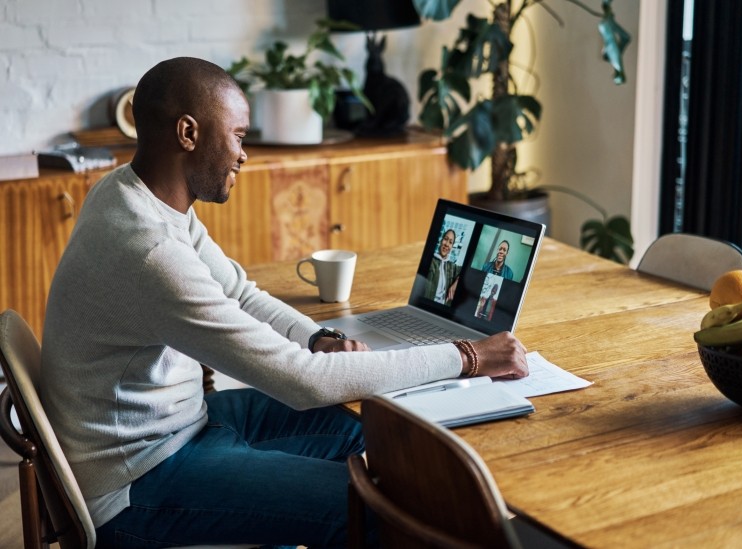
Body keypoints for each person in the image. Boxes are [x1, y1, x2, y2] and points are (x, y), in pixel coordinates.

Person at [39, 57, 529, 549]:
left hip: (181, 427)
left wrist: (319, 337)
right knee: (380, 510)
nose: (243, 154)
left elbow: (239, 292)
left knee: (370, 437)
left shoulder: (131, 194)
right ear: (188, 133)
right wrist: (466, 357)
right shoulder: (147, 251)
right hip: (140, 481)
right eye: (238, 135)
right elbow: (301, 382)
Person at [423, 228, 462, 305]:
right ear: (441, 240)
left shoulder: (452, 266)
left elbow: (467, 272)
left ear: (452, 247)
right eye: (445, 239)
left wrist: (456, 283)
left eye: (450, 242)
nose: (447, 244)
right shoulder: (429, 260)